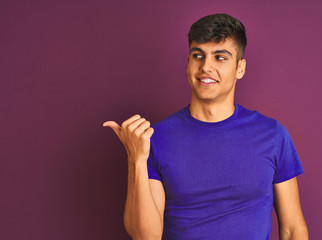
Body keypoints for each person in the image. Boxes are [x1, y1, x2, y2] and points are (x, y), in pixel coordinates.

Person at [103, 13, 309, 240]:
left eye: (220, 57)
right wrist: (135, 160)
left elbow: (292, 230)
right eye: (198, 56)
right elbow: (146, 236)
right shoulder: (155, 138)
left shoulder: (273, 135)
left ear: (240, 68)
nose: (206, 66)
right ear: (188, 62)